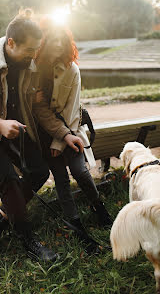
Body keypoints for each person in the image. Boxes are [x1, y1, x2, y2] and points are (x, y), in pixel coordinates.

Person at [0, 10, 84, 261]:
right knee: (9, 179)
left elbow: (38, 108)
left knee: (39, 171)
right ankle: (28, 239)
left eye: (37, 49)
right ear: (11, 43)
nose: (35, 55)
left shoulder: (29, 65)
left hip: (17, 128)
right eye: (30, 50)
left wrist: (64, 133)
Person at [33, 18, 112, 244]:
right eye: (53, 41)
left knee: (80, 171)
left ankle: (99, 208)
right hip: (44, 133)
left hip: (71, 129)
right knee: (60, 178)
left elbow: (72, 110)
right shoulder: (36, 69)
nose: (58, 45)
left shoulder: (72, 70)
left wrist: (61, 141)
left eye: (62, 41)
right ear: (45, 42)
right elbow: (37, 109)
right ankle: (75, 223)